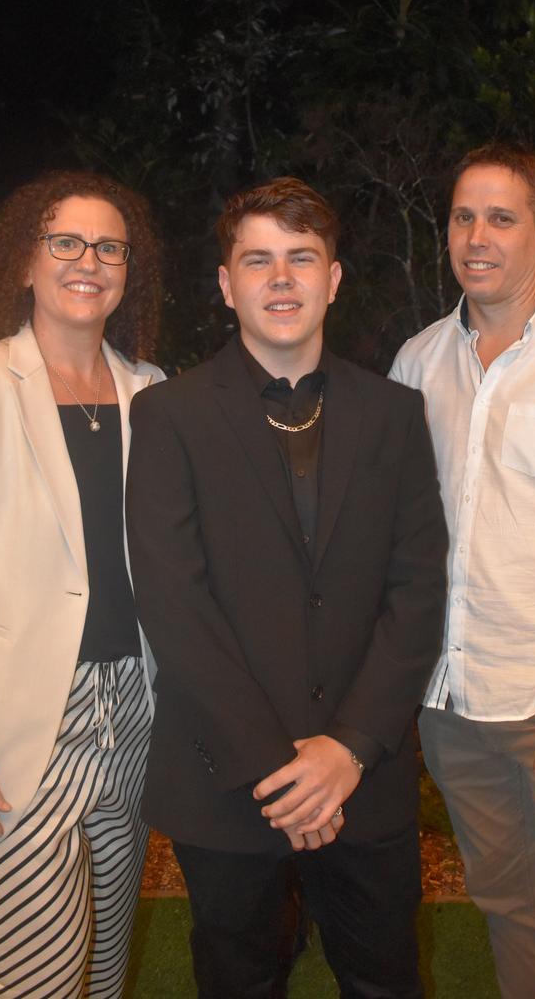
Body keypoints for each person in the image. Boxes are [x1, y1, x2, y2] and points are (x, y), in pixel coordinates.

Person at [126, 176, 447, 999]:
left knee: (385, 983)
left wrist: (346, 750)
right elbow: (175, 605)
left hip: (363, 780)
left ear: (333, 279)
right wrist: (277, 771)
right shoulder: (168, 416)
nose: (281, 279)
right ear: (226, 283)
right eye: (258, 260)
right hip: (229, 783)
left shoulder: (395, 415)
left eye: (301, 258)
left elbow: (416, 596)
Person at [390, 143, 535, 998]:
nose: (477, 236)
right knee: (510, 912)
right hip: (455, 706)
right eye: (462, 216)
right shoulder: (417, 363)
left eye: (502, 217)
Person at [0, 171, 165, 998]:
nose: (89, 259)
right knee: (31, 974)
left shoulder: (153, 394)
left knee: (104, 964)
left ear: (129, 271)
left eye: (109, 246)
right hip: (21, 722)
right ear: (25, 261)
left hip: (134, 710)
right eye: (66, 241)